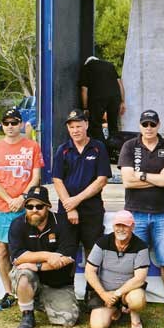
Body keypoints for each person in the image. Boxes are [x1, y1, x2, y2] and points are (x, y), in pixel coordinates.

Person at [118, 109, 164, 316]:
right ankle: (129, 300)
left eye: (152, 124)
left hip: (163, 213)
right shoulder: (129, 146)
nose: (148, 128)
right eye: (144, 124)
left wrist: (142, 176)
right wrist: (157, 179)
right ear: (139, 125)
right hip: (135, 213)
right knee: (133, 260)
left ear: (158, 125)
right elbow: (127, 181)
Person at [0, 108, 43, 311]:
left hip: (26, 207)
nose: (10, 126)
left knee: (30, 249)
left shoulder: (32, 146)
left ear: (20, 124)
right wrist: (9, 199)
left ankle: (30, 290)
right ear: (1, 125)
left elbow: (35, 177)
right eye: (6, 123)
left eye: (14, 122)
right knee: (2, 250)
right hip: (1, 206)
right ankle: (9, 292)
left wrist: (22, 198)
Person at [7, 186, 78, 328]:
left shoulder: (63, 223)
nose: (34, 210)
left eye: (39, 206)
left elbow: (67, 257)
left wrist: (37, 266)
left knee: (69, 319)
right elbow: (18, 257)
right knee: (24, 274)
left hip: (58, 282)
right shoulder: (17, 224)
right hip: (31, 275)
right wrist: (47, 255)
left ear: (48, 206)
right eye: (29, 206)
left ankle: (38, 300)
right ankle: (27, 314)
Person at [52, 109, 112, 258]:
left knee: (93, 254)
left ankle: (92, 282)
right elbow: (57, 180)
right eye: (71, 127)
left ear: (86, 125)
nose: (75, 130)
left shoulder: (99, 147)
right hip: (67, 210)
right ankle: (67, 282)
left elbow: (102, 180)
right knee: (66, 254)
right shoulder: (62, 150)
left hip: (92, 209)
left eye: (78, 126)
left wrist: (76, 200)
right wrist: (69, 207)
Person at [84, 210, 149, 328]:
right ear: (113, 226)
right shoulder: (102, 242)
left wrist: (117, 294)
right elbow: (89, 271)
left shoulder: (141, 246)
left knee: (137, 300)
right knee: (97, 327)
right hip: (105, 292)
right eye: (118, 225)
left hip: (127, 292)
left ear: (132, 226)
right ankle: (116, 309)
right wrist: (104, 295)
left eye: (125, 225)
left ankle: (133, 312)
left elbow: (140, 279)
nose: (121, 229)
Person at [79, 56, 126, 144]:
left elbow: (84, 89)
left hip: (97, 98)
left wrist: (85, 107)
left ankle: (101, 148)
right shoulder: (110, 66)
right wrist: (122, 101)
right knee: (113, 125)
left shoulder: (87, 67)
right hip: (114, 97)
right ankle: (115, 149)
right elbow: (120, 83)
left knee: (95, 125)